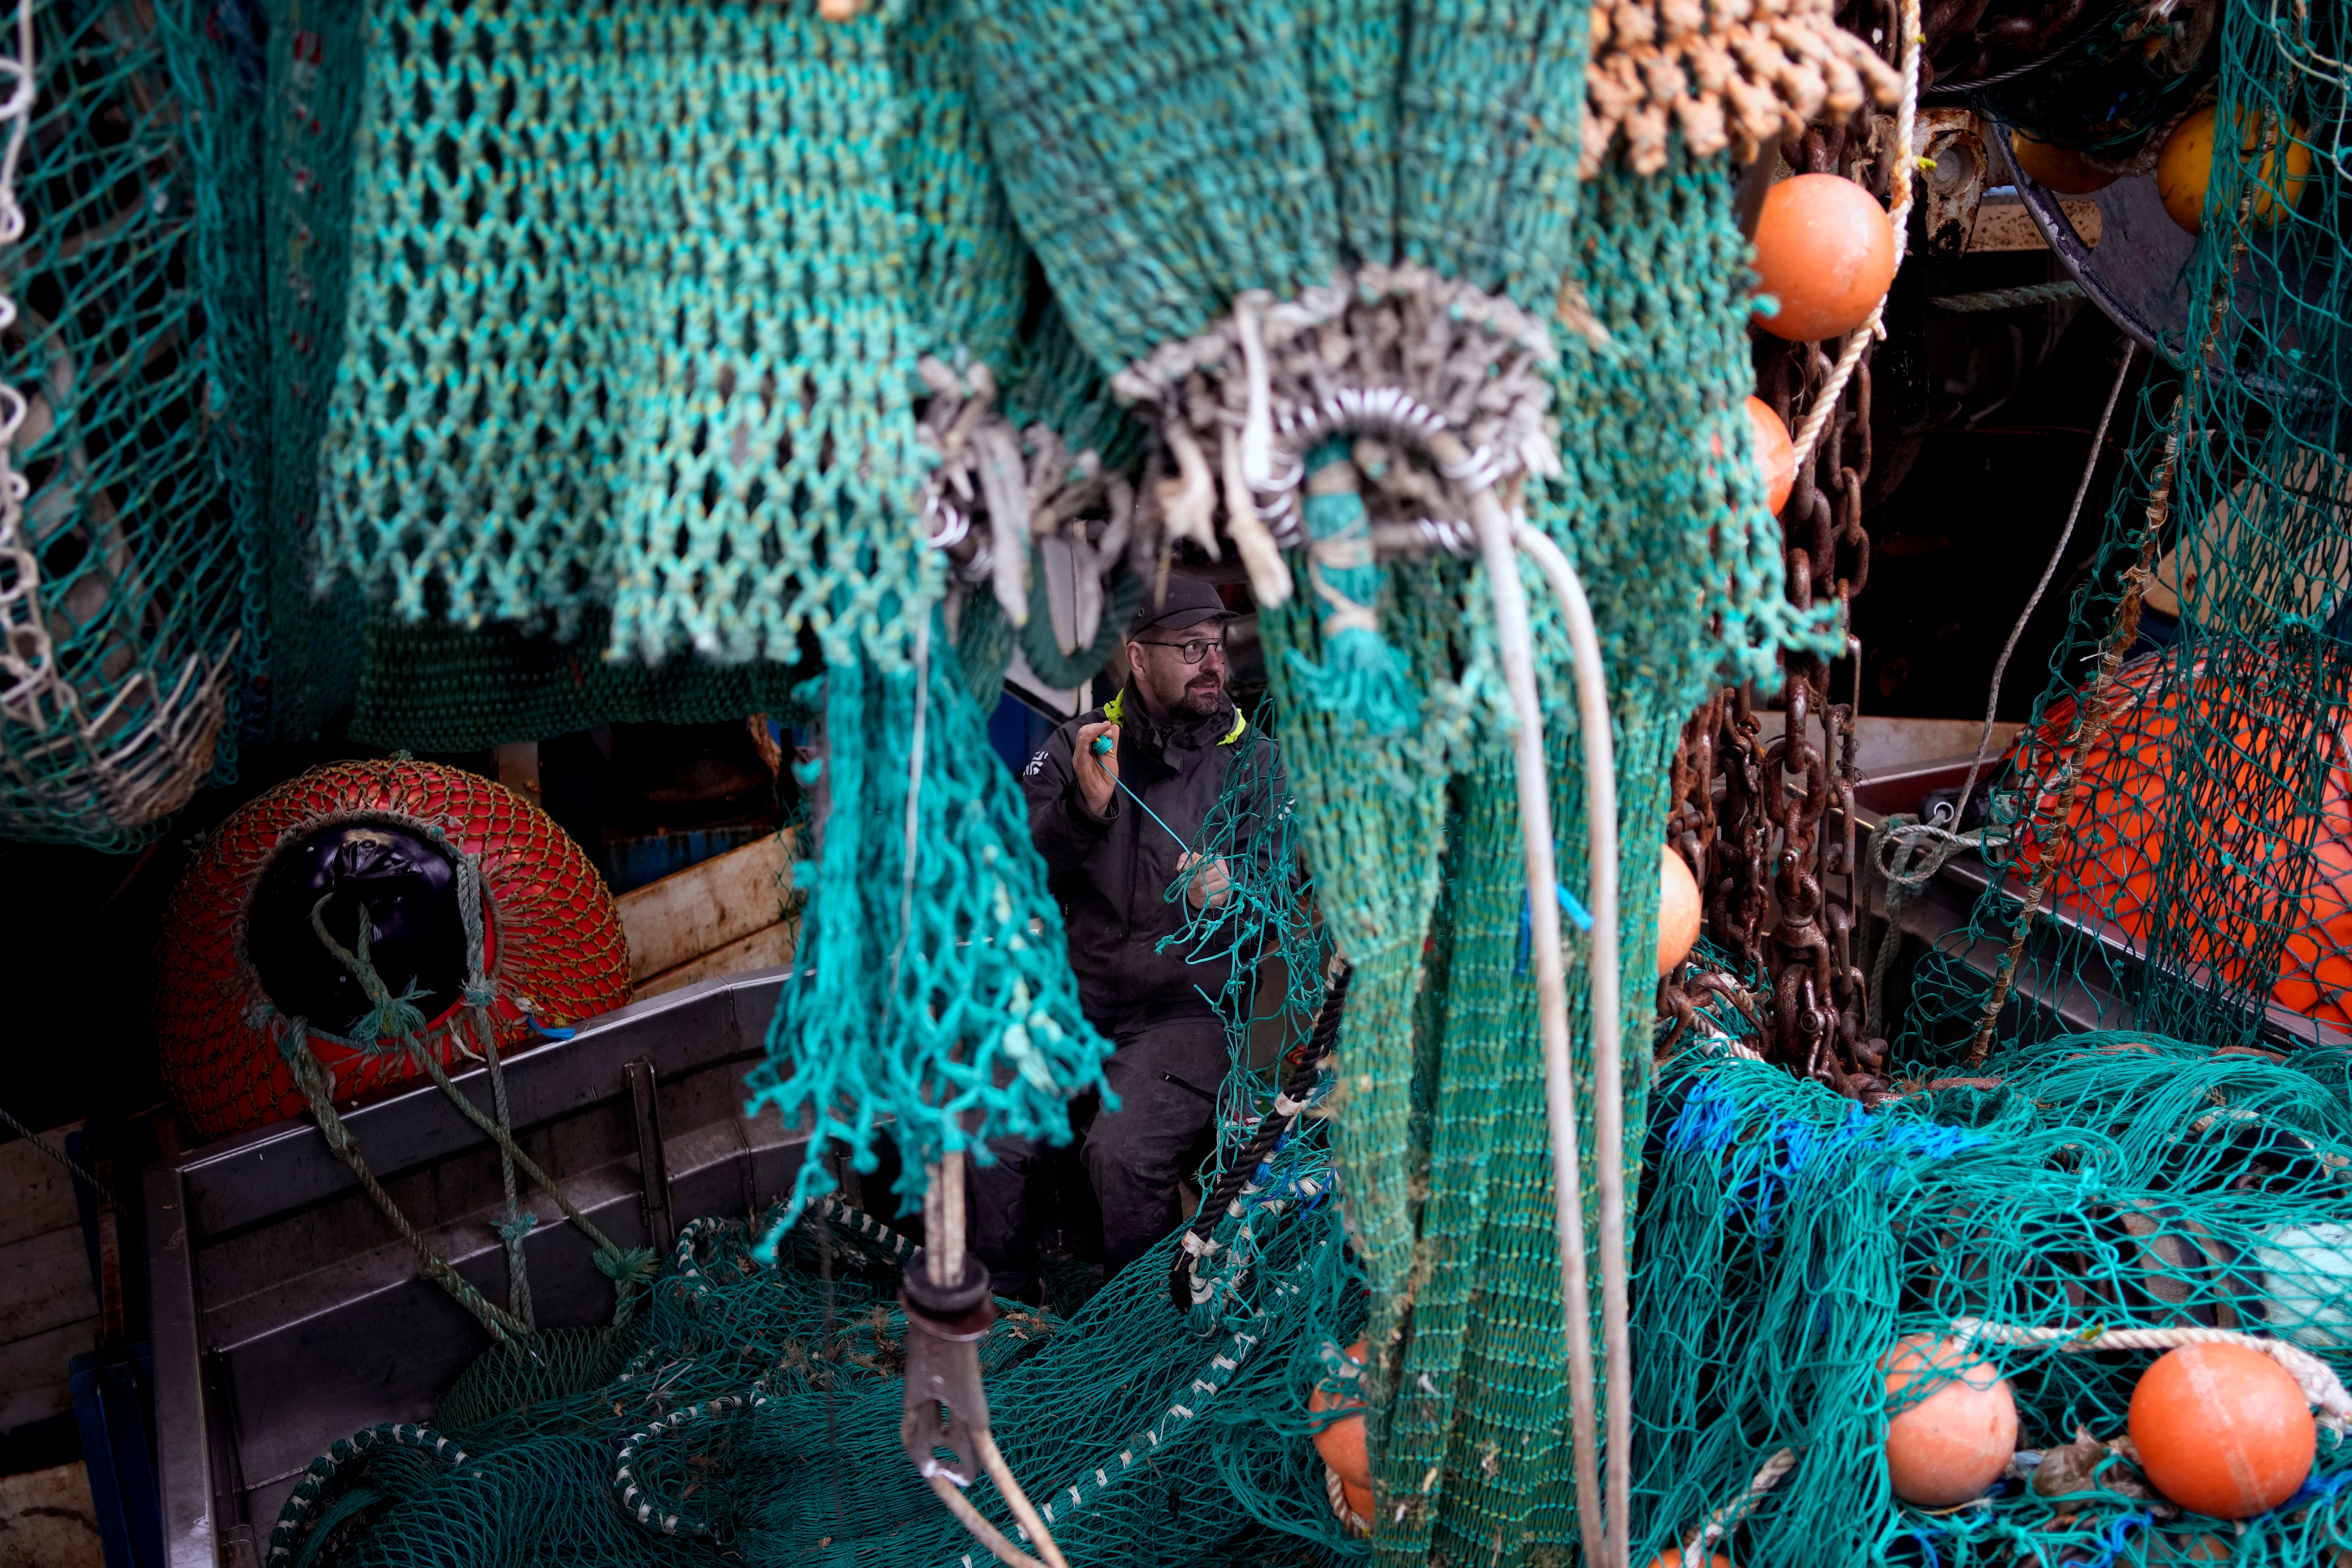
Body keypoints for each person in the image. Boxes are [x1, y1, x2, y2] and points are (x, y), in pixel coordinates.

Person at [971, 575, 1288, 1301]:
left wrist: (1234, 886)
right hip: (1076, 1003)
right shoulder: (1076, 745)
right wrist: (1083, 808)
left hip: (1188, 1013)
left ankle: (1134, 1333)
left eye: (1218, 646)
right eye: (1191, 649)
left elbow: (1282, 902)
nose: (1214, 664)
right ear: (1138, 660)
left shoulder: (1257, 765)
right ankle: (1012, 1316)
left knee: (1120, 1154)